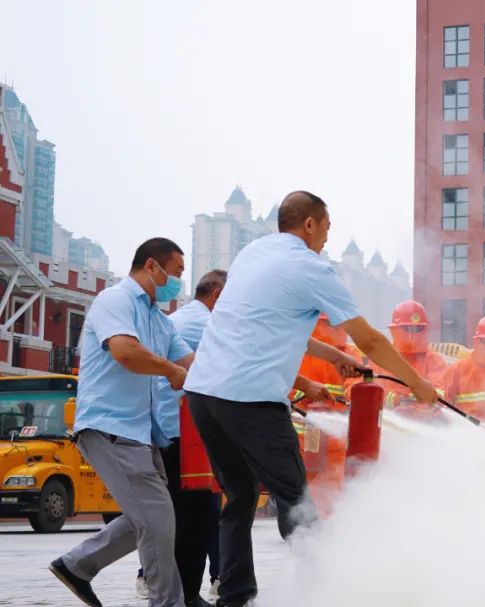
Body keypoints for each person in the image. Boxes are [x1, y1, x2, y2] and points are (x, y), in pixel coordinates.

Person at [183, 191, 437, 607]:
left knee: (240, 498)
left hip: (204, 396)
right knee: (297, 501)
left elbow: (267, 322)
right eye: (326, 230)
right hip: (251, 400)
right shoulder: (311, 267)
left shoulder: (252, 254)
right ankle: (325, 593)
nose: (326, 241)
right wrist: (417, 384)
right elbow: (370, 338)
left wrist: (335, 356)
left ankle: (235, 597)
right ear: (309, 225)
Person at [48, 238, 195, 607]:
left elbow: (197, 366)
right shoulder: (114, 301)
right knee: (157, 518)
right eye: (175, 272)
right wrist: (171, 371)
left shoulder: (160, 322)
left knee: (152, 515)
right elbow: (126, 353)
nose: (177, 282)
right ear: (152, 266)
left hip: (141, 433)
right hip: (109, 427)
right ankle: (168, 603)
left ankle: (77, 565)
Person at [136, 269, 229, 606]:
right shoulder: (203, 325)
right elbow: (225, 371)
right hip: (184, 433)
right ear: (218, 296)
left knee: (184, 514)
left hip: (170, 430)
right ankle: (184, 594)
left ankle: (174, 589)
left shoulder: (180, 318)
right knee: (197, 515)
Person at [372, 300, 449, 422]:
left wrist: (418, 410)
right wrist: (396, 401)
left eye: (417, 329)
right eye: (407, 329)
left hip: (424, 427)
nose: (412, 335)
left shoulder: (434, 360)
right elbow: (368, 393)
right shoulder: (382, 359)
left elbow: (439, 393)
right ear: (394, 330)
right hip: (389, 427)